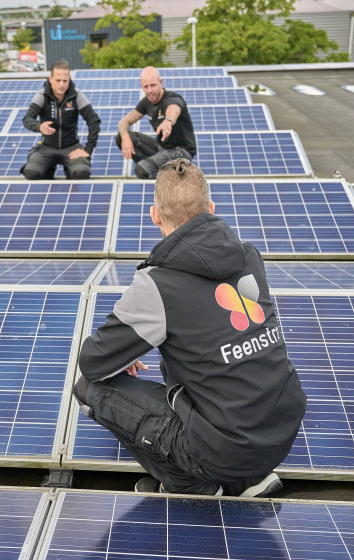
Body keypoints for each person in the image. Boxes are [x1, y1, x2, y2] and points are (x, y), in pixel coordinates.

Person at [74, 159, 306, 497]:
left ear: (155, 215)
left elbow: (94, 361)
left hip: (224, 450)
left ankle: (192, 483)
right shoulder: (249, 257)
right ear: (210, 208)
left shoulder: (159, 284)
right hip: (281, 432)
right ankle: (249, 478)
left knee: (89, 388)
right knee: (184, 354)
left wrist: (123, 353)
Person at [21, 60, 100, 179]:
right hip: (46, 147)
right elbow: (27, 119)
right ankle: (48, 168)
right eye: (58, 80)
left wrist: (88, 149)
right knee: (32, 173)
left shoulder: (76, 95)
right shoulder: (42, 95)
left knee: (81, 173)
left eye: (65, 80)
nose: (61, 84)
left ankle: (70, 169)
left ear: (69, 79)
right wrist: (39, 126)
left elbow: (94, 121)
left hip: (71, 147)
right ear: (50, 79)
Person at [116, 66, 197, 179]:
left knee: (141, 171)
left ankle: (164, 173)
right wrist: (125, 137)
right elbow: (124, 122)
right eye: (146, 87)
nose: (150, 90)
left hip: (181, 152)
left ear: (160, 82)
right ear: (142, 87)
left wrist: (168, 122)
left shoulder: (172, 98)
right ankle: (154, 166)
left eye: (153, 85)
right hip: (161, 148)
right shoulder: (146, 102)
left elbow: (173, 109)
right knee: (121, 136)